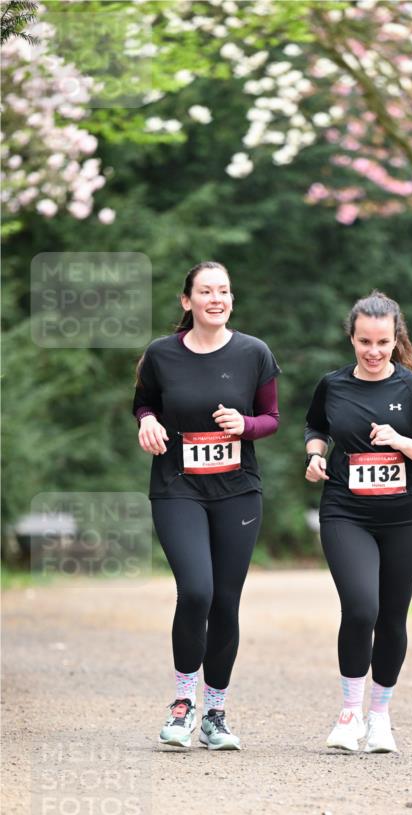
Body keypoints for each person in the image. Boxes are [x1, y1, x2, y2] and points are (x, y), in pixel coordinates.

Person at [133, 261, 280, 751]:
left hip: (237, 491)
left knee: (225, 601)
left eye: (224, 291)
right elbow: (143, 402)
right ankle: (183, 703)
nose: (216, 299)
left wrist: (246, 425)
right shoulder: (161, 354)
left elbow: (272, 418)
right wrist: (147, 420)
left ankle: (215, 712)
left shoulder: (254, 353)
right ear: (187, 300)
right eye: (206, 291)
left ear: (231, 299)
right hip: (178, 486)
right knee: (196, 590)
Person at [304, 290, 412, 753]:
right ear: (351, 338)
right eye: (365, 341)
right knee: (360, 608)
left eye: (382, 342)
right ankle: (350, 714)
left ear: (395, 338)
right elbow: (315, 427)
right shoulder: (333, 385)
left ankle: (380, 717)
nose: (373, 351)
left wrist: (401, 441)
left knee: (391, 617)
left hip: (406, 516)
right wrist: (315, 456)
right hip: (346, 511)